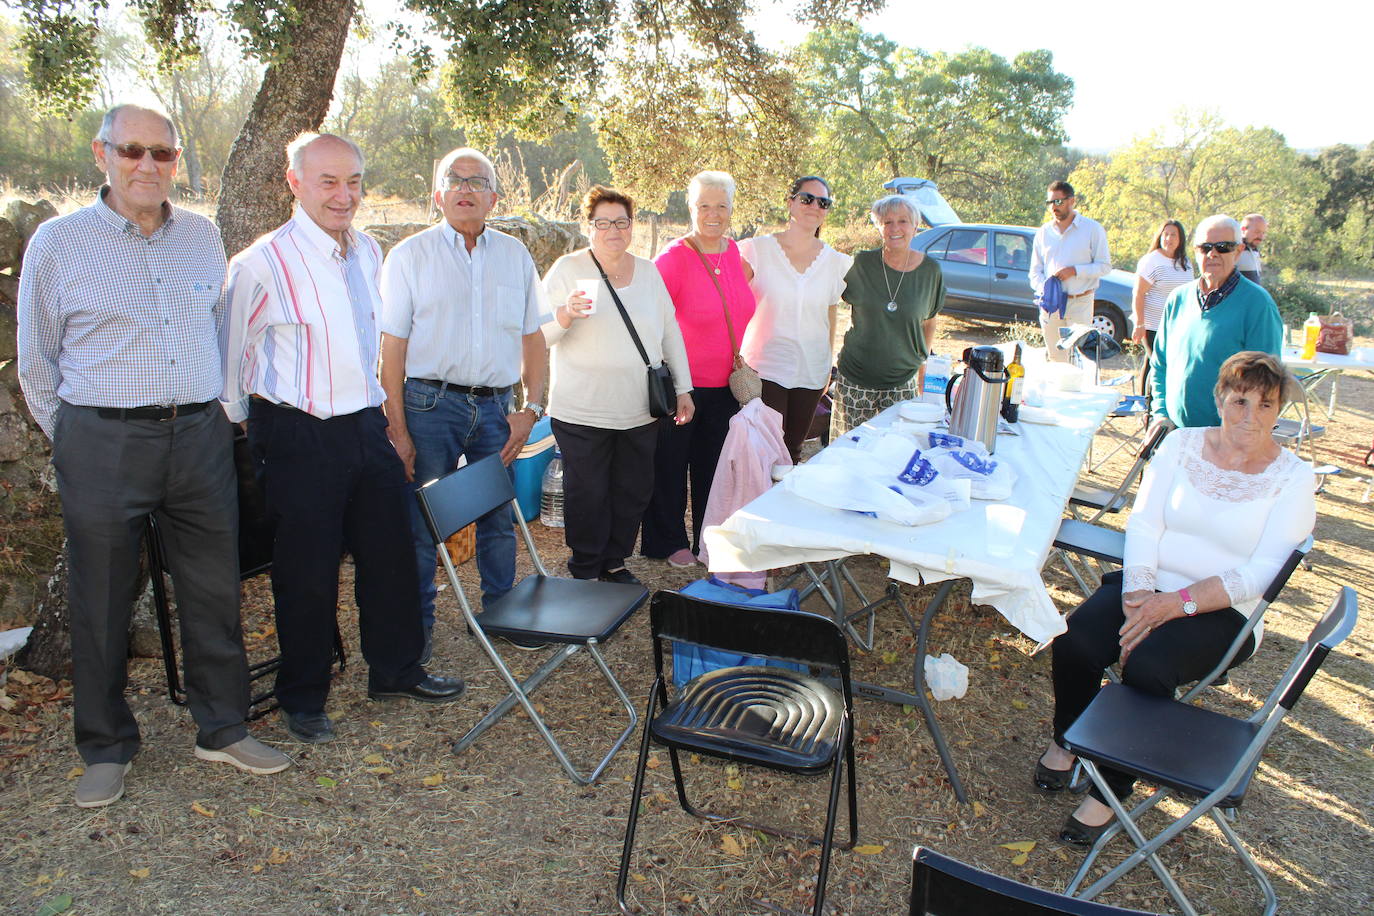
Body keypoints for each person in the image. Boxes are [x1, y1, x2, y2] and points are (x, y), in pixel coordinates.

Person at [16, 104, 290, 807]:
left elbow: (219, 332)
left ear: (176, 161)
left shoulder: (200, 237)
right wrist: (80, 440)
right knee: (102, 598)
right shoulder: (58, 243)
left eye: (162, 154)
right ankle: (106, 747)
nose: (147, 165)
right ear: (101, 154)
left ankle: (223, 728)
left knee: (212, 586)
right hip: (103, 440)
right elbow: (36, 366)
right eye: (132, 150)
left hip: (198, 438)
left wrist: (218, 415)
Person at [221, 132, 465, 745]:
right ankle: (303, 697)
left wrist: (388, 421)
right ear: (295, 182)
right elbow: (228, 367)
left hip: (366, 424)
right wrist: (262, 431)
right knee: (306, 572)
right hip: (298, 433)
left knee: (389, 556)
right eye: (328, 181)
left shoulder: (367, 252)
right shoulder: (261, 264)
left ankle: (395, 670)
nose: (343, 194)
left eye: (353, 181)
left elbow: (369, 344)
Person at [1035, 352, 1315, 845]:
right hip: (1147, 583)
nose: (1250, 416)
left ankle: (1111, 786)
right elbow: (1145, 522)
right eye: (1239, 400)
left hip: (1225, 610)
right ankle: (1068, 739)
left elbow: (1261, 573)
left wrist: (1176, 604)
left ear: (1279, 411)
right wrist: (1140, 594)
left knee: (1147, 666)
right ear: (1220, 399)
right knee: (1075, 639)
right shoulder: (1182, 445)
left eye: (1265, 405)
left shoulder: (1292, 478)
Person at [379, 147, 546, 662]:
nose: (466, 189)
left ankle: (500, 614)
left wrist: (532, 408)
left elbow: (533, 338)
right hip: (428, 405)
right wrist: (398, 427)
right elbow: (392, 348)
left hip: (497, 408)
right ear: (438, 194)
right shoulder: (409, 255)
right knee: (422, 522)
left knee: (498, 515)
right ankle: (418, 630)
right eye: (454, 179)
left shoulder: (515, 255)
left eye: (478, 181)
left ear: (494, 197)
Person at [542, 186, 693, 584]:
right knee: (588, 494)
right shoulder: (568, 269)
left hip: (639, 409)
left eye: (621, 222)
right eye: (604, 222)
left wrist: (684, 388)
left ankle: (614, 562)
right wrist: (565, 314)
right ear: (589, 227)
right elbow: (538, 336)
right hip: (582, 409)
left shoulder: (647, 271)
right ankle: (586, 568)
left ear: (631, 226)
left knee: (632, 492)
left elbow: (669, 332)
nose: (614, 230)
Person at [641, 171, 756, 568]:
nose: (713, 213)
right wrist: (674, 381)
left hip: (726, 386)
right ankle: (666, 540)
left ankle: (709, 539)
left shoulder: (734, 253)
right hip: (681, 386)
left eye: (721, 205)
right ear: (691, 208)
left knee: (715, 469)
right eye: (704, 205)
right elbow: (649, 323)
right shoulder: (673, 260)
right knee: (670, 468)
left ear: (731, 210)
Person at [739, 175, 852, 463]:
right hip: (765, 367)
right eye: (807, 198)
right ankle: (755, 507)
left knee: (792, 452)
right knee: (762, 451)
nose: (815, 205)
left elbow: (830, 312)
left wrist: (827, 365)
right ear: (790, 203)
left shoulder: (836, 262)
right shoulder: (756, 251)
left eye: (823, 202)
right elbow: (733, 304)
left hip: (811, 370)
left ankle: (779, 507)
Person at [1150, 215, 1284, 431]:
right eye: (1205, 247)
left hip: (1228, 440)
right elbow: (1160, 364)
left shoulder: (1258, 305)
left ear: (1238, 251)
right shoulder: (1178, 299)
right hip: (1174, 434)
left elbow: (1266, 386)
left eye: (1223, 247)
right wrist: (1161, 414)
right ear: (1195, 251)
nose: (1213, 254)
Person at [829, 194, 945, 437]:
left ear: (915, 226)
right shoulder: (860, 264)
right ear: (879, 227)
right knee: (850, 456)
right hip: (856, 379)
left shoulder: (930, 271)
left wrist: (922, 361)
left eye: (903, 221)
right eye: (887, 222)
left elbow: (930, 321)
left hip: (902, 382)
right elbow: (827, 300)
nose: (895, 228)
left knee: (894, 456)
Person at [1029, 181, 1112, 362]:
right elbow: (1034, 272)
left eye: (1058, 202)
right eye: (1050, 203)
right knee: (1056, 357)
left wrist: (1075, 271)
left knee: (1081, 357)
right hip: (1051, 304)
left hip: (1080, 300)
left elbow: (1104, 266)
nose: (1054, 207)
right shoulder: (1044, 232)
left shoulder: (1092, 229)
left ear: (1071, 201)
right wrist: (1046, 289)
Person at [1131, 219, 1193, 397]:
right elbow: (1139, 293)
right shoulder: (1152, 260)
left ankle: (1162, 399)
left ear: (1180, 239)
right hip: (1153, 324)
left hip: (1177, 325)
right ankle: (1147, 403)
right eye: (1166, 234)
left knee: (1168, 363)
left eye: (1174, 235)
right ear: (1160, 236)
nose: (1169, 238)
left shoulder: (1185, 262)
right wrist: (1139, 323)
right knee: (1155, 362)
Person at [1237, 213, 1267, 284]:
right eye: (1257, 232)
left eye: (1263, 233)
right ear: (1243, 230)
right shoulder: (1232, 251)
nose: (1261, 237)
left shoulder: (1254, 250)